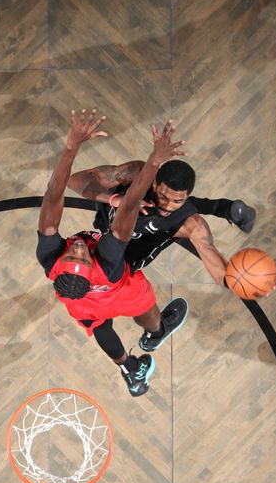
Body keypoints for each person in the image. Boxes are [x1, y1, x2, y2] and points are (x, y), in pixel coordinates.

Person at [37, 108, 189, 397]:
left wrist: (71, 146)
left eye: (73, 255)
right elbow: (130, 206)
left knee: (97, 326)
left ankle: (130, 369)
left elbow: (53, 194)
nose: (80, 249)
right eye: (83, 257)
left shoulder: (50, 257)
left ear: (58, 263)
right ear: (93, 262)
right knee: (149, 313)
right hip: (123, 291)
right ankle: (156, 334)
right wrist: (154, 161)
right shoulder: (107, 261)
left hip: (83, 302)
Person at [68, 158, 260, 287]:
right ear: (154, 184)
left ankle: (229, 209)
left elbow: (223, 277)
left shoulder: (191, 224)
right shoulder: (138, 174)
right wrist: (115, 200)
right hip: (106, 226)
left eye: (178, 200)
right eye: (163, 196)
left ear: (186, 195)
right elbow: (75, 180)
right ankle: (229, 209)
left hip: (126, 259)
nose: (168, 206)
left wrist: (255, 282)